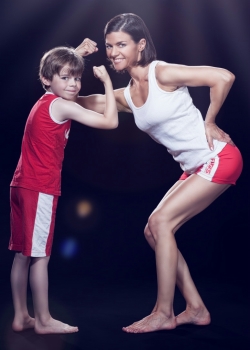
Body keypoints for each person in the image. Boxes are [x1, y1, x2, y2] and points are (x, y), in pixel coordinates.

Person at [75, 14, 243, 333]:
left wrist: (210, 121)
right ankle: (195, 307)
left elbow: (223, 76)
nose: (113, 53)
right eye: (109, 46)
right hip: (195, 167)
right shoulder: (126, 96)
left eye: (121, 45)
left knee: (161, 222)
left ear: (140, 45)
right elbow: (83, 100)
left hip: (219, 157)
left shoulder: (161, 72)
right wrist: (69, 65)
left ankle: (163, 313)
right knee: (153, 231)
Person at [9, 39, 118, 334]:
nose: (73, 84)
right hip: (39, 188)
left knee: (22, 254)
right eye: (66, 78)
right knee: (40, 257)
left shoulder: (45, 99)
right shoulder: (63, 106)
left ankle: (21, 317)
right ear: (47, 79)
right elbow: (110, 122)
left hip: (20, 185)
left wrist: (77, 54)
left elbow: (55, 69)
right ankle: (44, 321)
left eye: (77, 78)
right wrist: (107, 82)